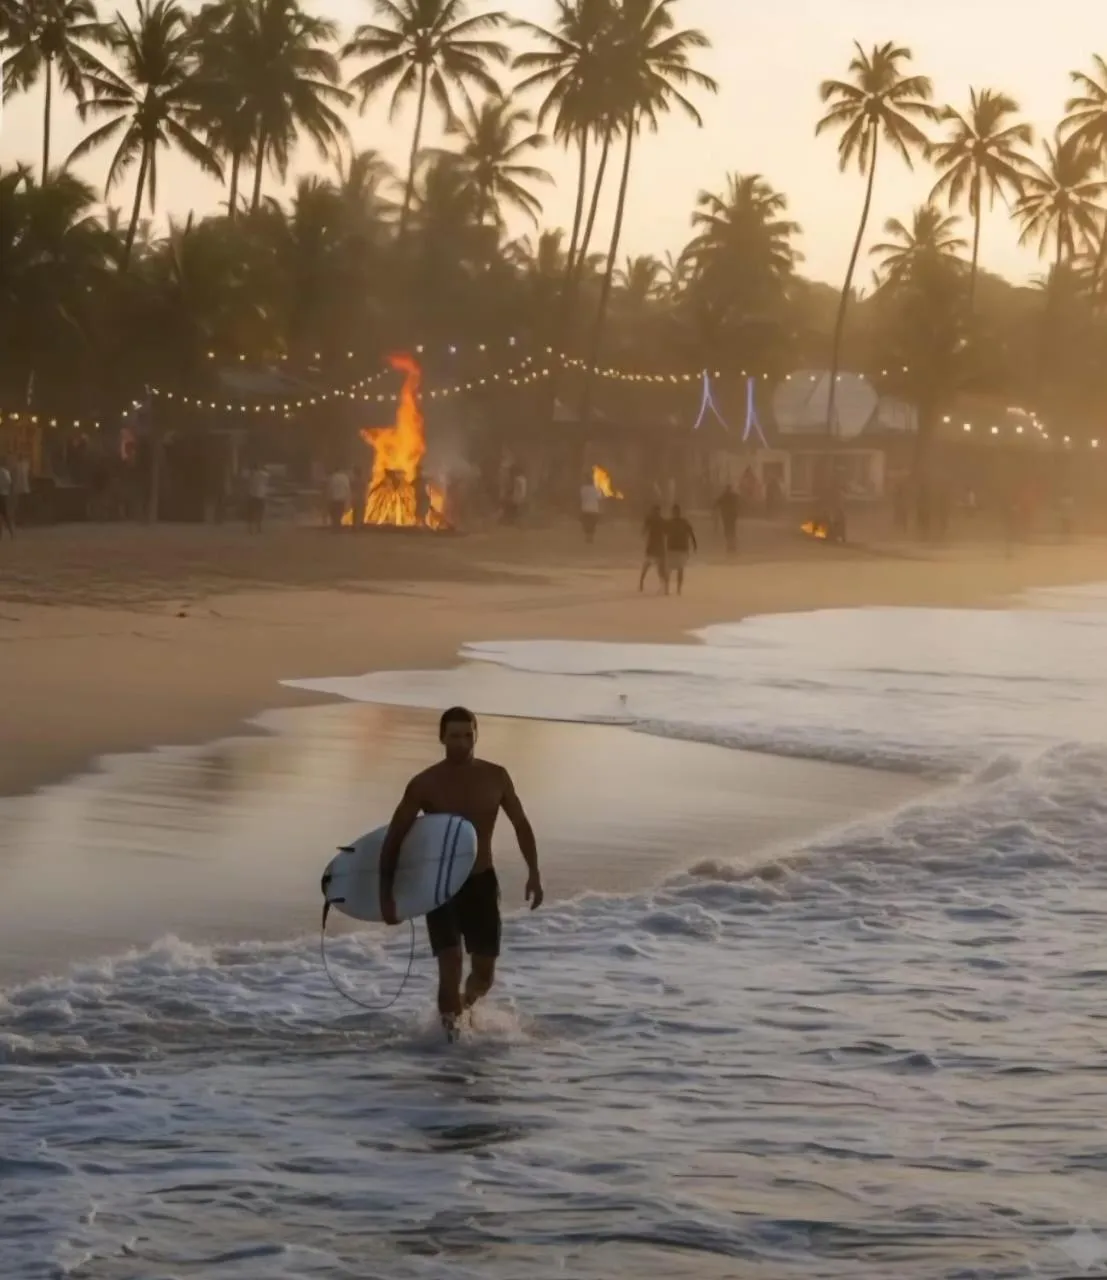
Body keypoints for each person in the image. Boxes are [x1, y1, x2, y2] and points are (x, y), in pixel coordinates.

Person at [379, 706, 543, 1037]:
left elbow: (521, 823)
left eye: (468, 734)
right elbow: (395, 837)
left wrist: (534, 872)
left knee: (483, 973)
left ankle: (463, 1011)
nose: (462, 742)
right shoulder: (425, 784)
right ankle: (450, 1043)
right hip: (440, 887)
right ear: (441, 738)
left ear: (476, 735)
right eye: (454, 736)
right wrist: (387, 896)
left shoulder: (496, 776)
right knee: (450, 963)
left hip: (482, 881)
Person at [666, 504, 698, 595]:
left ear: (679, 512)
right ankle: (667, 589)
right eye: (674, 512)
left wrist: (695, 544)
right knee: (669, 569)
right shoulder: (669, 523)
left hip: (682, 549)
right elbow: (662, 533)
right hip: (671, 548)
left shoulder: (684, 522)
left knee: (680, 569)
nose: (675, 513)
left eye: (677, 511)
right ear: (672, 513)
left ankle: (678, 589)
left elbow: (691, 533)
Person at [639, 503, 669, 593]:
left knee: (649, 566)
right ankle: (664, 587)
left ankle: (641, 583)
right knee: (659, 567)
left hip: (654, 547)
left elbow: (644, 530)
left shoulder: (652, 519)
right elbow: (666, 532)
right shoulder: (660, 520)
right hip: (658, 547)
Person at [714, 483, 739, 552]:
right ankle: (732, 544)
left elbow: (716, 503)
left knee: (727, 528)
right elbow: (739, 503)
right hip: (732, 515)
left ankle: (729, 543)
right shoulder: (734, 496)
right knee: (732, 528)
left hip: (725, 515)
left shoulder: (723, 496)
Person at [580, 474, 602, 543]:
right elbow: (599, 497)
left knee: (586, 523)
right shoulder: (597, 489)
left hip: (585, 508)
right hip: (594, 509)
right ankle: (591, 537)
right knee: (593, 524)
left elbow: (582, 497)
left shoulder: (583, 488)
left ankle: (587, 536)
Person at [246, 465, 268, 533]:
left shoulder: (252, 476)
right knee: (259, 512)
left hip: (254, 496)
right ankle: (258, 528)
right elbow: (267, 477)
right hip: (260, 495)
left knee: (252, 512)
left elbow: (249, 486)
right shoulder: (263, 475)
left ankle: (251, 528)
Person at [0, 461, 13, 539]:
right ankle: (11, 533)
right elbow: (9, 482)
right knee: (5, 515)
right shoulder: (5, 472)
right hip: (4, 495)